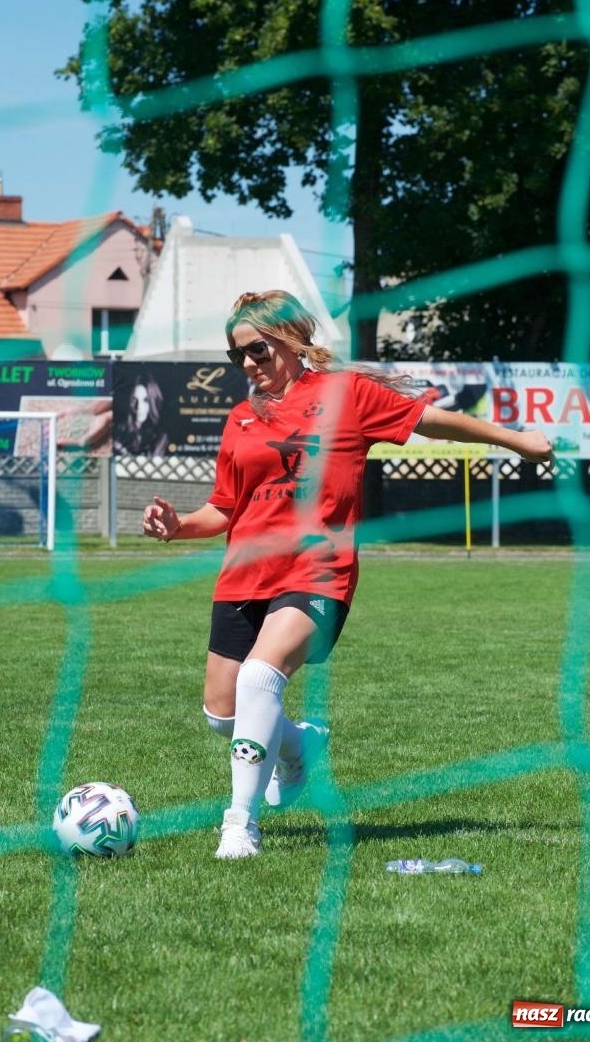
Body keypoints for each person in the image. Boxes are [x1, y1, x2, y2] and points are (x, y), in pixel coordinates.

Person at [141, 290, 553, 860]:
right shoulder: (240, 417)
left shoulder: (346, 394)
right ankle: (299, 746)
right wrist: (176, 524)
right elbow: (225, 508)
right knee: (223, 715)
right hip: (243, 577)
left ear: (289, 340)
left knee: (261, 679)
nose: (249, 365)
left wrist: (517, 440)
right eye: (238, 357)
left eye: (258, 350)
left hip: (317, 571)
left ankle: (239, 825)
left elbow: (433, 422)